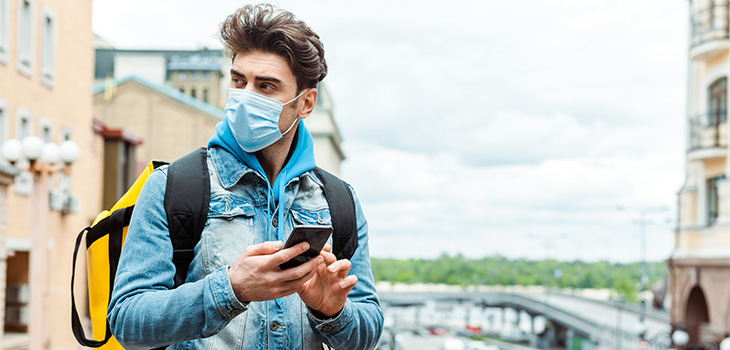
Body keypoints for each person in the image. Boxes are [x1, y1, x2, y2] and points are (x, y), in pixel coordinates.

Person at [107, 4, 384, 349]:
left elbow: (369, 329)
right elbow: (127, 320)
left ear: (306, 103)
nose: (245, 97)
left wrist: (332, 312)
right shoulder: (173, 186)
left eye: (266, 86)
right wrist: (230, 289)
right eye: (239, 80)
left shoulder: (339, 200)